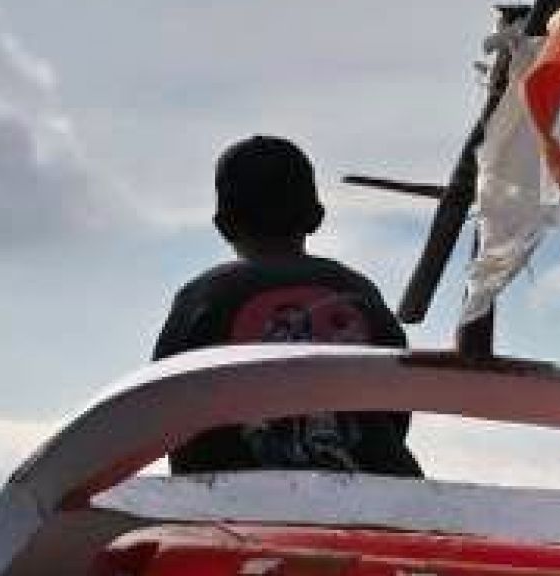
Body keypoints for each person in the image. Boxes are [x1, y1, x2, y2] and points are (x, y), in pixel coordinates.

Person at [152, 135, 427, 478]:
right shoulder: (358, 291)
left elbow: (161, 405)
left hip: (234, 497)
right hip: (379, 491)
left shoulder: (203, 296)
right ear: (317, 216)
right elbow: (398, 401)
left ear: (223, 226)